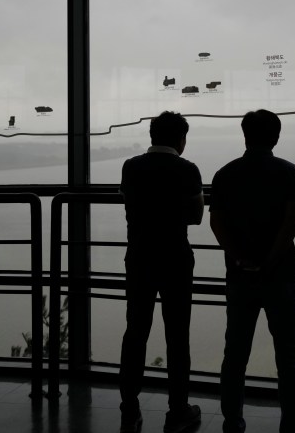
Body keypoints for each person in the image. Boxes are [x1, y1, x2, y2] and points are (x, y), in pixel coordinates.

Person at [210, 110, 295, 433]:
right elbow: (291, 223)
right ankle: (292, 425)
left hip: (240, 277)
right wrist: (269, 261)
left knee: (235, 354)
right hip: (282, 275)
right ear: (275, 138)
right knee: (289, 357)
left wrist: (240, 260)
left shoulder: (224, 175)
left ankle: (232, 422)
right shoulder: (290, 173)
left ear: (244, 135)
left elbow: (216, 223)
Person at [119, 111, 204, 433]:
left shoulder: (131, 167)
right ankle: (178, 408)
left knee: (136, 331)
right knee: (177, 335)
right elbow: (196, 216)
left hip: (139, 256)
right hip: (175, 258)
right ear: (181, 139)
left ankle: (129, 407)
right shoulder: (187, 170)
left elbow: (127, 201)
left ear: (153, 136)